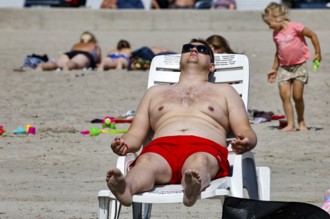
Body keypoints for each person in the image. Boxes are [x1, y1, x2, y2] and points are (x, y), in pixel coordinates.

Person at [106, 38, 257, 207]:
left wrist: (247, 141)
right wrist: (123, 144)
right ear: (180, 61)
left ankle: (190, 188)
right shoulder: (154, 92)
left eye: (202, 50)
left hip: (205, 147)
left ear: (212, 66)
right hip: (161, 149)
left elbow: (245, 129)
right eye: (188, 48)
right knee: (145, 162)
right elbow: (135, 134)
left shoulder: (225, 91)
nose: (194, 50)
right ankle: (126, 189)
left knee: (199, 162)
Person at [262, 2, 322, 131]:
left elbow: (312, 35)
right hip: (284, 68)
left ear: (277, 18)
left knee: (297, 96)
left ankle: (301, 122)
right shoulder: (276, 34)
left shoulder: (295, 27)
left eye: (269, 23)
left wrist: (317, 53)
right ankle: (290, 124)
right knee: (285, 96)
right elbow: (278, 52)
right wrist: (274, 69)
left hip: (299, 66)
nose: (269, 27)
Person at [37, 31, 102, 71]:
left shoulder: (76, 45)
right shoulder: (95, 45)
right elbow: (98, 60)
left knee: (58, 64)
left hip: (70, 53)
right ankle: (67, 67)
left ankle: (41, 66)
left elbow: (72, 51)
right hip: (85, 55)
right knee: (74, 64)